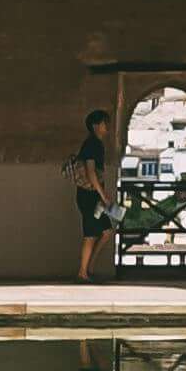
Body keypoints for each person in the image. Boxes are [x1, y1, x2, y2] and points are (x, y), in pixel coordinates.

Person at [70, 104, 117, 281]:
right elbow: (91, 172)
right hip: (89, 196)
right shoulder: (91, 144)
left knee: (106, 231)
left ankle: (89, 267)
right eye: (105, 123)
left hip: (96, 197)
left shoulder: (97, 144)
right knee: (90, 233)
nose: (107, 127)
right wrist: (103, 195)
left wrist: (103, 195)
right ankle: (82, 273)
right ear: (96, 125)